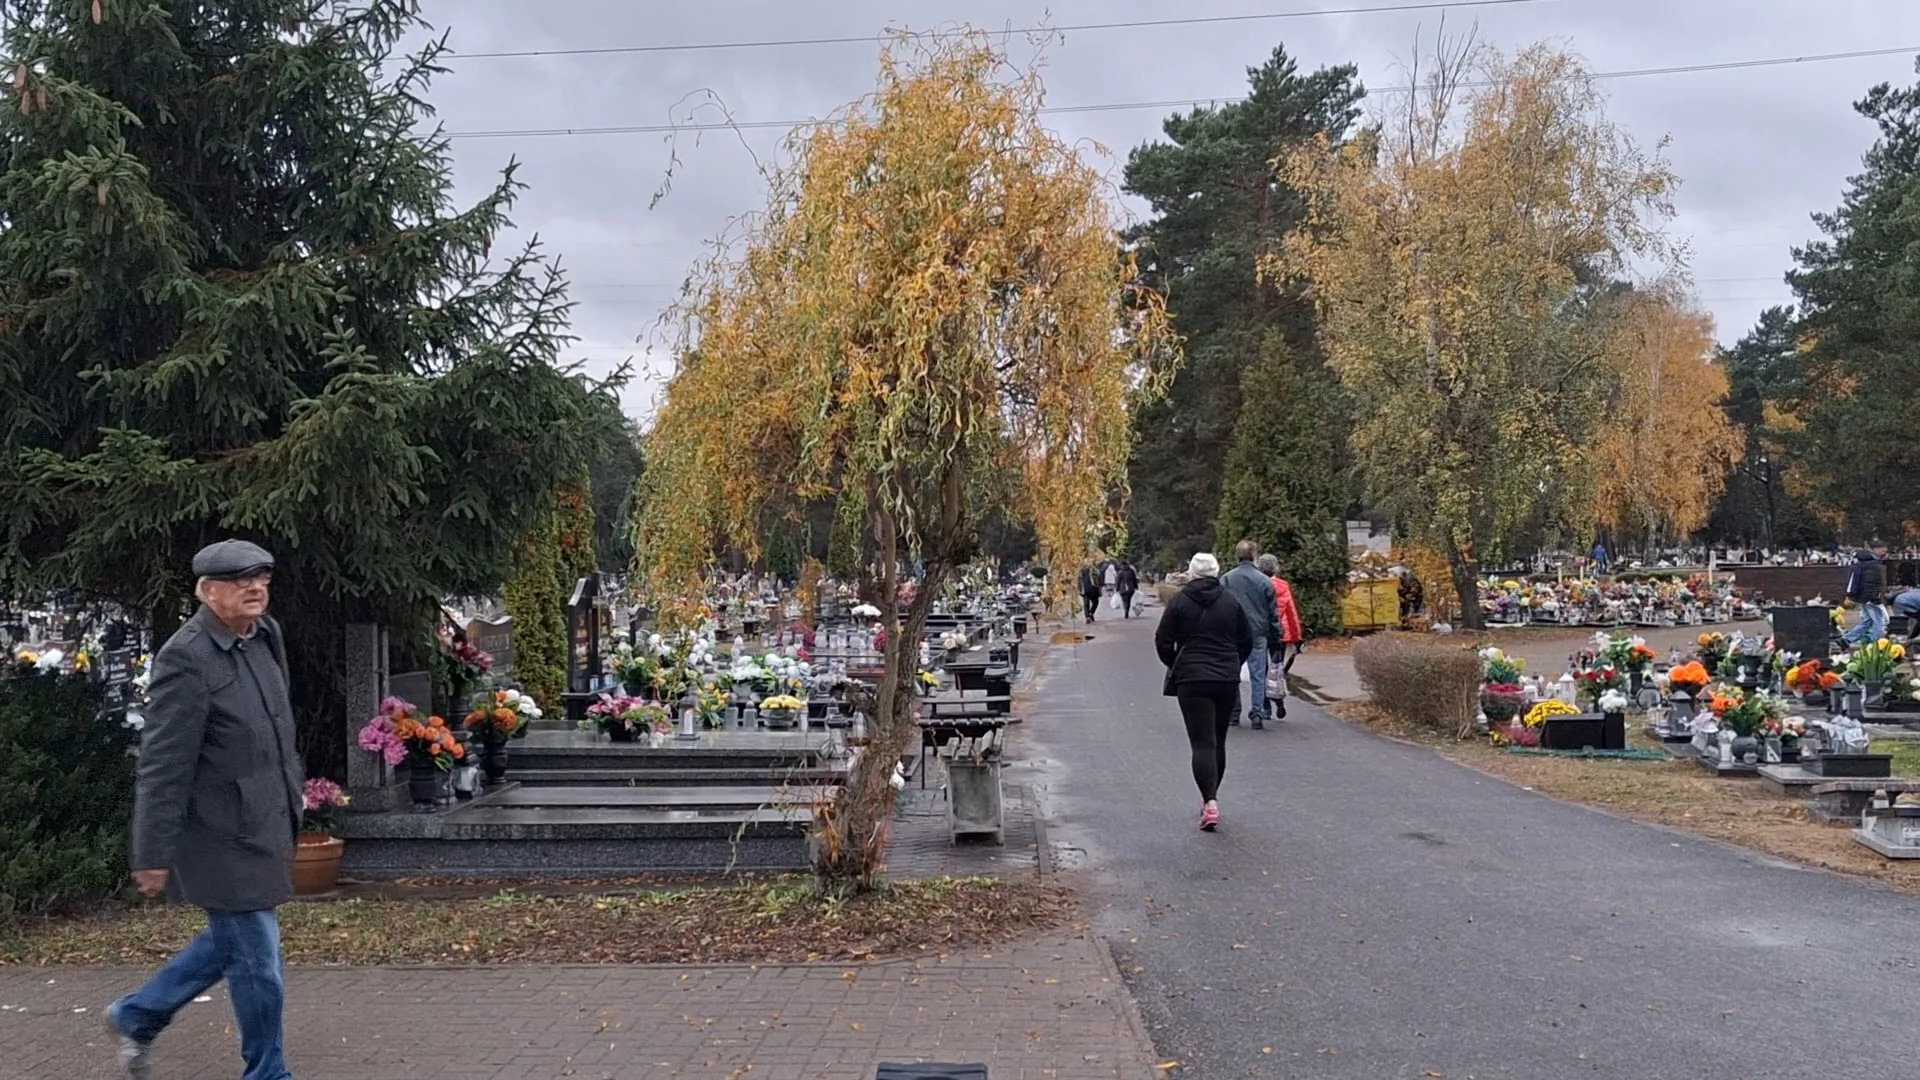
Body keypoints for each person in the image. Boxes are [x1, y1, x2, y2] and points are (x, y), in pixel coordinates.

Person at [109, 540, 303, 1080]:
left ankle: (136, 1016)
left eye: (261, 576)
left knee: (234, 944)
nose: (254, 587)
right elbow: (163, 763)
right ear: (206, 590)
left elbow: (275, 728)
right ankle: (268, 1072)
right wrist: (152, 852)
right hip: (217, 835)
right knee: (258, 961)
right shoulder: (185, 658)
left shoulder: (265, 635)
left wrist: (293, 796)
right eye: (240, 580)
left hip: (265, 821)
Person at [1154, 552, 1252, 831]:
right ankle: (1212, 798)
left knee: (1202, 743)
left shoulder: (1179, 602)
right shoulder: (1231, 601)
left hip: (1192, 679)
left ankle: (1209, 801)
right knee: (1218, 740)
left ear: (1192, 572)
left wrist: (1176, 663)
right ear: (1216, 571)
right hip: (1225, 678)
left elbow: (1162, 640)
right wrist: (1233, 663)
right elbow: (1246, 639)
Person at [1221, 540, 1280, 729]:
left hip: (1232, 632)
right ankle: (1257, 712)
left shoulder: (1226, 579)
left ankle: (1234, 712)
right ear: (1254, 555)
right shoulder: (1264, 581)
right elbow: (1273, 613)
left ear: (1237, 555)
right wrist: (1276, 635)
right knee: (1258, 674)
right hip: (1257, 632)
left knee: (1232, 673)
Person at [1256, 554, 1305, 719]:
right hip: (1280, 634)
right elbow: (1291, 613)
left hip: (1261, 632)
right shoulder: (1283, 586)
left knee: (1261, 669)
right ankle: (1278, 701)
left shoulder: (1256, 584)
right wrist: (1297, 638)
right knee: (1276, 669)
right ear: (1275, 568)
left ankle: (1265, 706)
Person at [1842, 538, 1890, 647]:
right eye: (1882, 548)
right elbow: (1870, 583)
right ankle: (1875, 643)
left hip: (1864, 598)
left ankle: (1846, 639)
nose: (1885, 550)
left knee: (1867, 621)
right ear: (1874, 549)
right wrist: (1873, 597)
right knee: (1880, 622)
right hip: (1871, 598)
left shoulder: (1863, 563)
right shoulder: (1872, 565)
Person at [1077, 559, 1103, 625]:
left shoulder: (1081, 571)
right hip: (1093, 589)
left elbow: (1079, 581)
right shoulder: (1094, 570)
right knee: (1095, 602)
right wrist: (1100, 586)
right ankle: (1091, 613)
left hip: (1085, 590)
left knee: (1086, 604)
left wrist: (1079, 589)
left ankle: (1088, 616)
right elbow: (1099, 578)